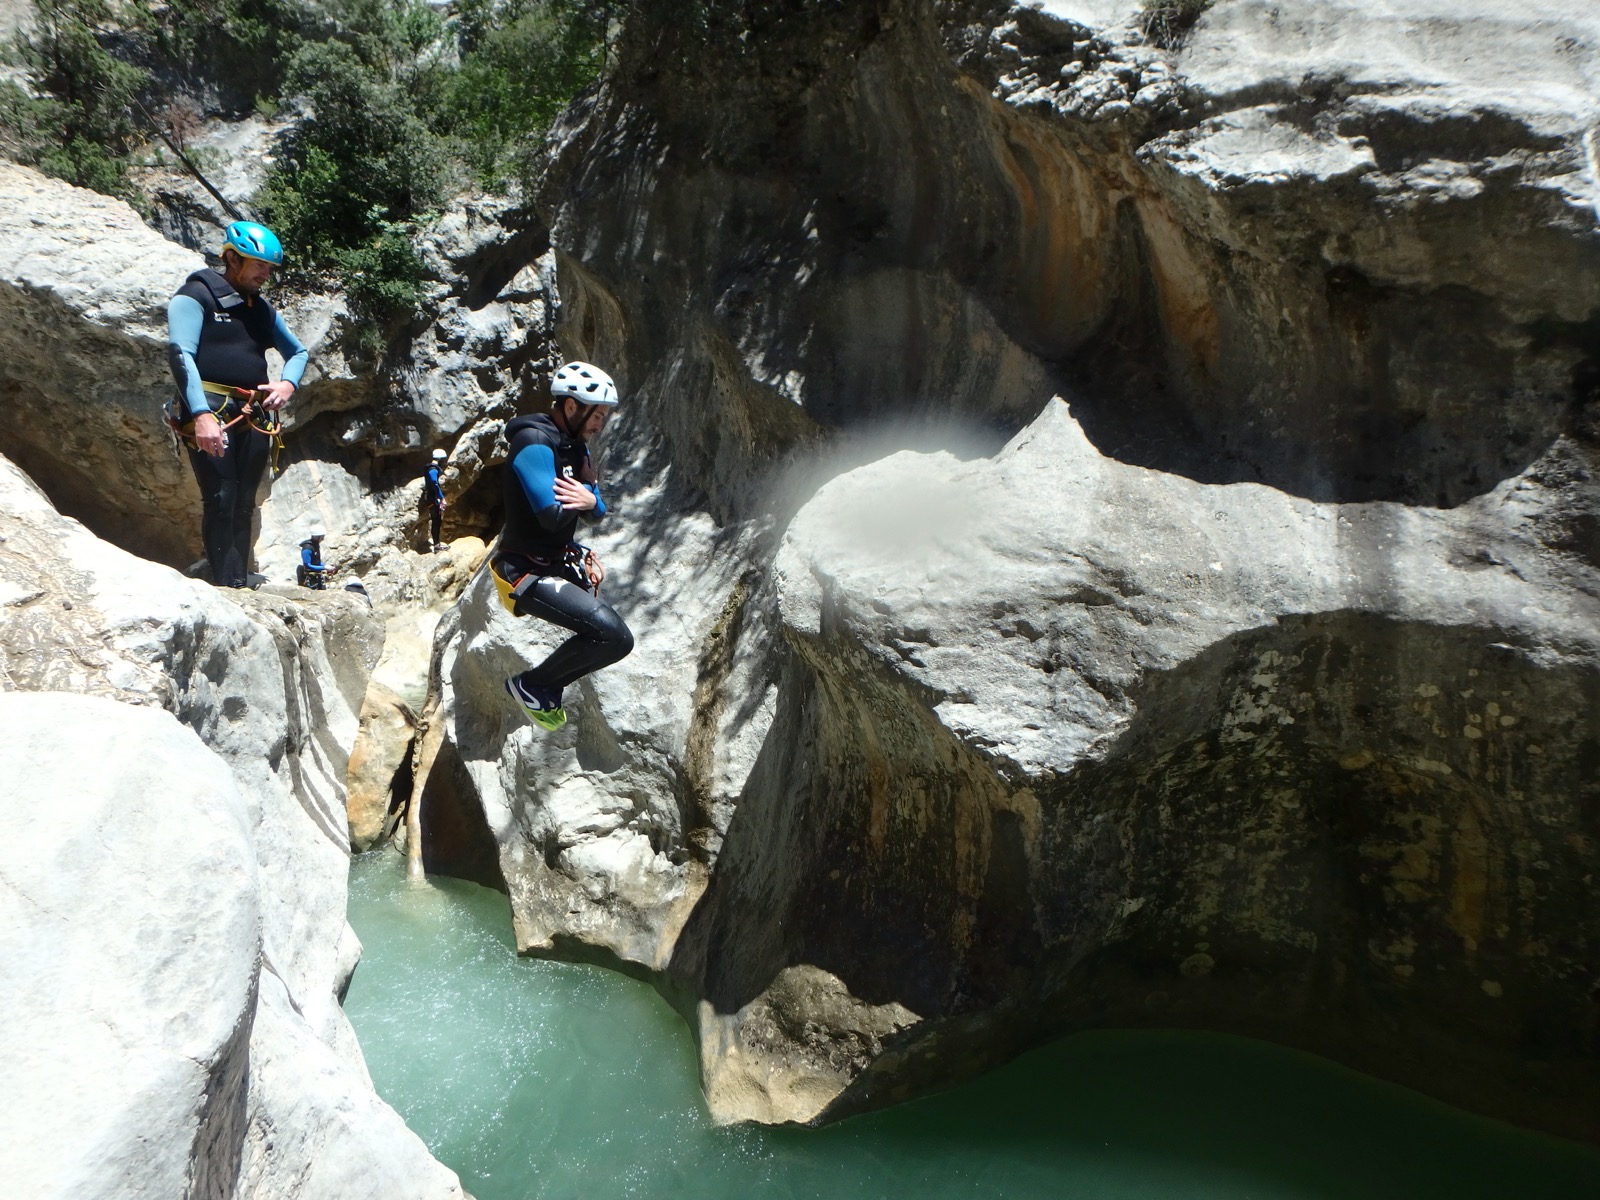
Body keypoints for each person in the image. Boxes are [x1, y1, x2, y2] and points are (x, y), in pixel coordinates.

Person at [165, 220, 307, 588]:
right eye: (259, 265)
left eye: (269, 268)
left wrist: (288, 383)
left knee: (245, 500)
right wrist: (200, 416)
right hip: (211, 411)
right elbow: (181, 357)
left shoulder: (259, 309)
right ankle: (226, 583)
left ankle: (238, 580)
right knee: (221, 496)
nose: (265, 274)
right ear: (231, 258)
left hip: (254, 413)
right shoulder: (195, 296)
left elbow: (298, 351)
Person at [493, 362, 633, 731]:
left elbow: (596, 512)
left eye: (603, 415)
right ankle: (534, 685)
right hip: (524, 571)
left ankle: (543, 687)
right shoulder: (533, 443)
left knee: (616, 640)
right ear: (571, 406)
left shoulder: (575, 448)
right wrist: (588, 496)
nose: (600, 423)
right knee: (613, 635)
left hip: (552, 563)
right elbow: (551, 517)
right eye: (597, 414)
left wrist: (589, 499)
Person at [423, 447, 448, 552]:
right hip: (432, 499)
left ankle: (437, 544)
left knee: (436, 520)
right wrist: (441, 497)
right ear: (440, 459)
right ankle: (437, 545)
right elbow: (434, 482)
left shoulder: (430, 468)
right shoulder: (433, 469)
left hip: (431, 497)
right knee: (436, 521)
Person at [297, 525, 331, 589]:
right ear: (317, 537)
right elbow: (308, 565)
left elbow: (316, 562)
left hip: (316, 577)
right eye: (322, 537)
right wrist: (324, 567)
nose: (323, 539)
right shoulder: (307, 548)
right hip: (309, 578)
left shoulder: (315, 546)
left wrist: (326, 566)